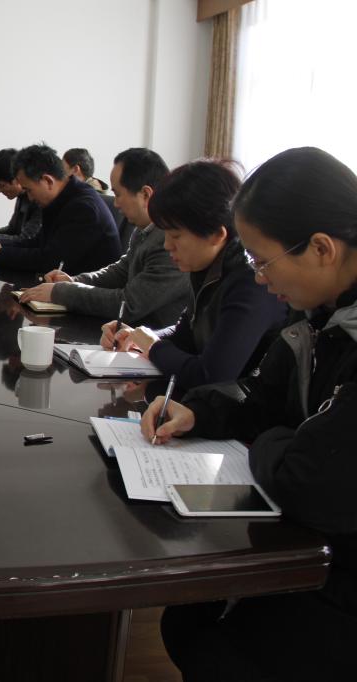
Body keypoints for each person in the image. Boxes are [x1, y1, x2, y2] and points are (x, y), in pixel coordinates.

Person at [140, 147, 357, 681]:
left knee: (214, 645)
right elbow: (260, 397)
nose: (258, 277)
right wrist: (197, 411)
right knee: (188, 621)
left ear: (322, 249)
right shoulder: (315, 317)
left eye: (262, 260)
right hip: (316, 545)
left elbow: (310, 483)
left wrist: (278, 438)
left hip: (342, 573)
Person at [101, 159, 286, 391]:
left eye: (176, 236)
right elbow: (185, 336)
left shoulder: (252, 282)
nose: (167, 245)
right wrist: (138, 337)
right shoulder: (205, 265)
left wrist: (154, 346)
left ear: (216, 235)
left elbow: (210, 376)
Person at [19, 148, 190, 328]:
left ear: (145, 195)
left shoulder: (170, 242)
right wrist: (74, 281)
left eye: (118, 194)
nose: (115, 204)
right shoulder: (144, 229)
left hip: (151, 336)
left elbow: (128, 304)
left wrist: (60, 292)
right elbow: (120, 272)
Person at [0, 144, 121, 275]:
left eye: (29, 190)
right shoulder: (61, 198)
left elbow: (51, 262)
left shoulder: (84, 207)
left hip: (90, 289)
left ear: (48, 181)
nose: (30, 198)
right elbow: (36, 242)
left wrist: (0, 255)